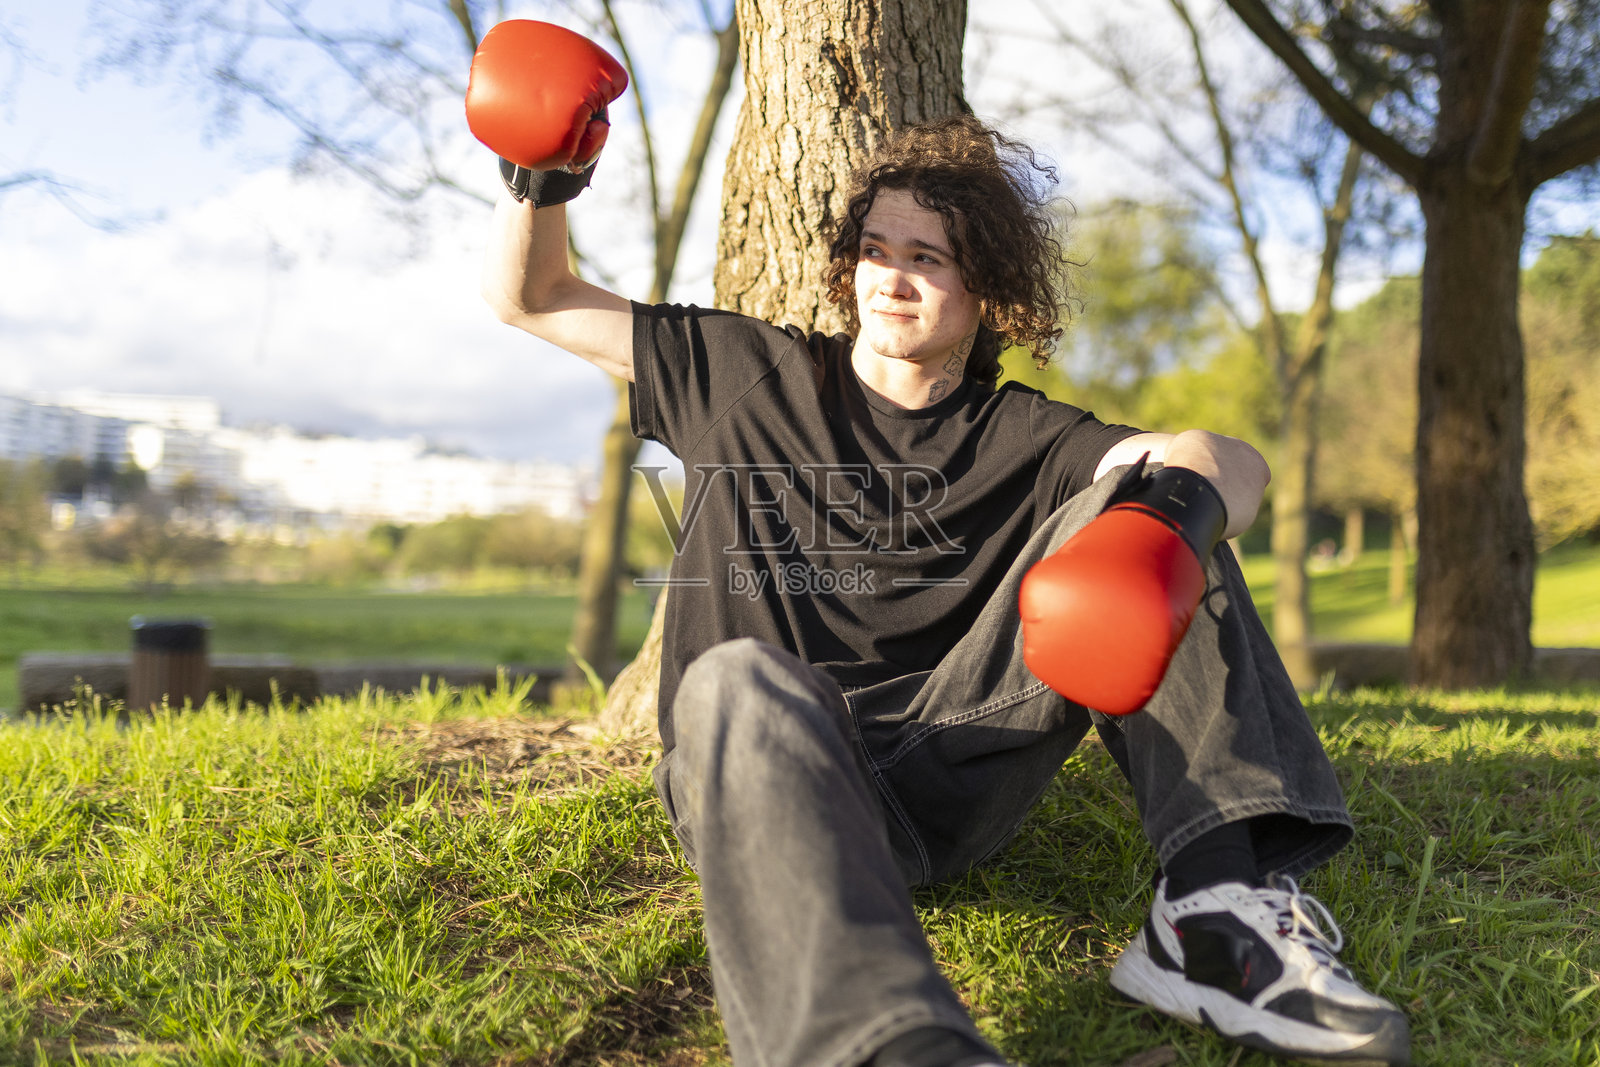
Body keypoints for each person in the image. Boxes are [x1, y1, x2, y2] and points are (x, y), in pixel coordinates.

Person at [469, 20, 1410, 1067]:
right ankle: (890, 1045)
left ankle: (1213, 904)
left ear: (990, 293)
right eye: (875, 250)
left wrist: (1176, 507)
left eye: (927, 258)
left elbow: (1226, 458)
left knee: (1157, 507)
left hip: (941, 773)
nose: (891, 277)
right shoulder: (741, 371)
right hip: (767, 770)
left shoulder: (1028, 435)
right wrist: (540, 176)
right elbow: (533, 297)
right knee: (738, 680)